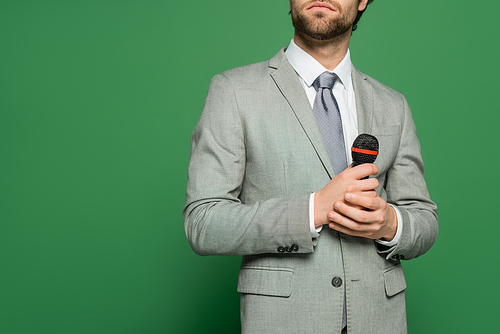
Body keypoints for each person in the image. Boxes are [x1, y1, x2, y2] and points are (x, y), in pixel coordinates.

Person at [183, 0, 438, 333]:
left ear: (363, 2)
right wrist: (313, 208)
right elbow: (203, 223)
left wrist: (389, 223)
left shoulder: (393, 105)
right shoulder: (233, 91)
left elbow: (424, 220)